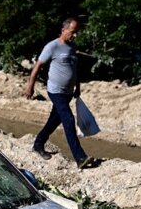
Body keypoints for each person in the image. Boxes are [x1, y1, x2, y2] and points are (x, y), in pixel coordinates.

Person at [24, 17, 97, 169]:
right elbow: (37, 66)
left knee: (54, 121)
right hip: (55, 91)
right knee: (68, 120)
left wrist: (77, 87)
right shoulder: (52, 46)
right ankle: (80, 157)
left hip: (68, 92)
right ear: (63, 30)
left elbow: (74, 69)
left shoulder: (72, 47)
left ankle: (38, 144)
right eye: (72, 32)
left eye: (76, 33)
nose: (75, 35)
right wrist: (30, 85)